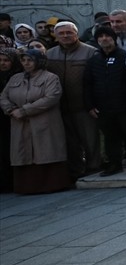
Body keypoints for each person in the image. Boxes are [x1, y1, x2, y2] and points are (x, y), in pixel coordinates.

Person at [0, 49, 74, 194]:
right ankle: (27, 187)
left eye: (30, 60)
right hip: (19, 123)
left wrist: (25, 110)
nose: (26, 63)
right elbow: (3, 96)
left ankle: (51, 185)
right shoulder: (15, 78)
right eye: (24, 60)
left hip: (44, 122)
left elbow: (50, 98)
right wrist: (10, 109)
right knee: (23, 153)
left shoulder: (50, 78)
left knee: (45, 151)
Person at [83, 25, 126, 176]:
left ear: (114, 38)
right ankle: (114, 164)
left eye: (107, 36)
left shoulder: (125, 56)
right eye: (100, 37)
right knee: (111, 138)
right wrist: (89, 105)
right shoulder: (93, 61)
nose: (104, 39)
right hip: (103, 108)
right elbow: (87, 84)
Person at [46, 21, 100, 177]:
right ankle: (76, 170)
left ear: (76, 33)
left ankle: (94, 167)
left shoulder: (91, 52)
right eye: (61, 33)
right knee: (70, 142)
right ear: (55, 36)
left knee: (91, 140)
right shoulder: (50, 54)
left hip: (84, 106)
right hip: (60, 107)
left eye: (69, 32)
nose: (65, 36)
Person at [0, 48, 20, 191]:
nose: (2, 64)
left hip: (16, 117)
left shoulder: (19, 76)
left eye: (6, 60)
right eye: (0, 61)